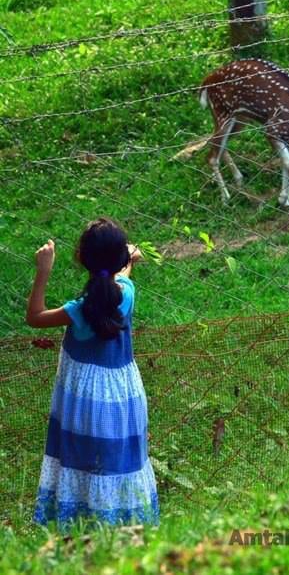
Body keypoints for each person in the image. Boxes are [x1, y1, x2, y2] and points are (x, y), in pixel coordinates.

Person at [26, 217, 159, 528]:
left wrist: (43, 270)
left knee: (81, 460)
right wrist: (130, 259)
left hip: (83, 400)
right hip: (123, 398)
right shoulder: (126, 292)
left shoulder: (77, 310)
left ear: (80, 258)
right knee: (118, 461)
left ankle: (82, 523)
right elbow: (120, 276)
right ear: (122, 262)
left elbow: (35, 317)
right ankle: (123, 525)